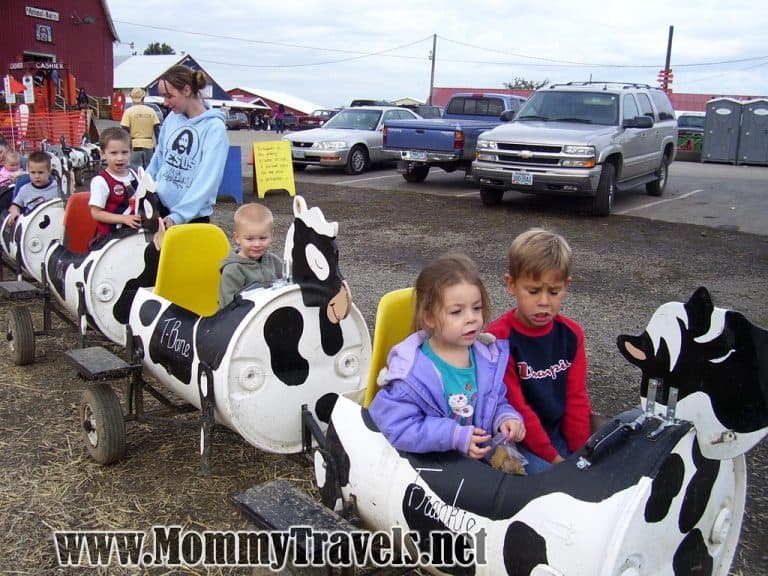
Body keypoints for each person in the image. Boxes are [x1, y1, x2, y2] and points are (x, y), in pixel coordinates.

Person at [369, 253, 525, 459]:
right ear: (429, 317)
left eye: (476, 308)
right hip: (434, 466)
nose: (471, 318)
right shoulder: (411, 374)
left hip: (479, 463)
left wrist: (505, 418)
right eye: (456, 312)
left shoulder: (486, 358)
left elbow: (495, 401)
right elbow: (396, 427)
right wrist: (453, 435)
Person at [486, 228, 592, 475]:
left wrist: (581, 456)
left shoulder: (571, 335)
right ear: (511, 285)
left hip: (555, 435)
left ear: (566, 286)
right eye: (533, 291)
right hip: (514, 440)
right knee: (554, 489)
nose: (544, 301)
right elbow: (517, 406)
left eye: (554, 292)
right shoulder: (498, 338)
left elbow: (576, 399)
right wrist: (557, 462)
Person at [146, 65, 228, 229]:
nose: (166, 102)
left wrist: (180, 215)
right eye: (163, 96)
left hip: (190, 218)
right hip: (160, 208)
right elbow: (160, 156)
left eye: (169, 96)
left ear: (186, 90)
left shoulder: (214, 129)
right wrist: (144, 185)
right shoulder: (172, 118)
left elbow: (208, 178)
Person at [218, 203, 283, 308]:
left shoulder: (273, 260)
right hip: (242, 319)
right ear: (237, 238)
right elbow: (229, 307)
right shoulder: (233, 270)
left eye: (262, 238)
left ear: (271, 236)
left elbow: (289, 281)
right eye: (249, 239)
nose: (257, 244)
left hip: (269, 311)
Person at [88, 127, 141, 238]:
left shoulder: (136, 174)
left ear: (131, 152)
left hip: (133, 235)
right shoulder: (100, 181)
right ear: (102, 154)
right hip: (109, 238)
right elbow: (96, 213)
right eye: (113, 153)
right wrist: (123, 219)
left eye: (124, 152)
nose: (120, 158)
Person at [6, 151, 58, 225]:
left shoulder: (58, 188)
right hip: (30, 226)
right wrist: (15, 212)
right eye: (33, 172)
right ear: (28, 172)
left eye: (40, 172)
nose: (36, 176)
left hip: (53, 224)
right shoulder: (24, 189)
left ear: (49, 172)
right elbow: (15, 205)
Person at [120, 87, 160, 170]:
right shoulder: (151, 111)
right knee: (149, 171)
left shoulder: (128, 112)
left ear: (132, 98)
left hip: (135, 146)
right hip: (149, 145)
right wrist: (159, 145)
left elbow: (124, 130)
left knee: (135, 171)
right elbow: (157, 130)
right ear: (143, 98)